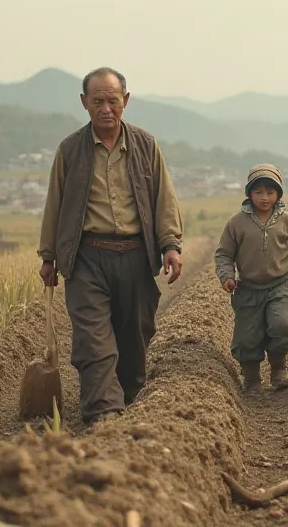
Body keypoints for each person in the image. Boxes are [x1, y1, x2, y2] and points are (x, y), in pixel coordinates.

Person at [38, 66, 184, 426]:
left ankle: (129, 397)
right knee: (93, 341)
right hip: (87, 257)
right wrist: (48, 256)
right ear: (84, 103)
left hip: (135, 256)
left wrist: (170, 244)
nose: (106, 108)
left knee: (134, 339)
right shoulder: (71, 150)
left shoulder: (145, 145)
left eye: (113, 100)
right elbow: (55, 203)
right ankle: (104, 413)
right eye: (98, 101)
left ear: (126, 101)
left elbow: (163, 198)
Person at [214, 164, 288, 394]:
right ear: (249, 194)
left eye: (270, 192)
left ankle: (278, 367)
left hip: (280, 285)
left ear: (278, 194)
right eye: (258, 192)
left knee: (283, 326)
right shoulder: (236, 223)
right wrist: (227, 276)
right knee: (248, 337)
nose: (264, 198)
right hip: (248, 288)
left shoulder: (287, 221)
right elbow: (224, 255)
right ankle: (252, 378)